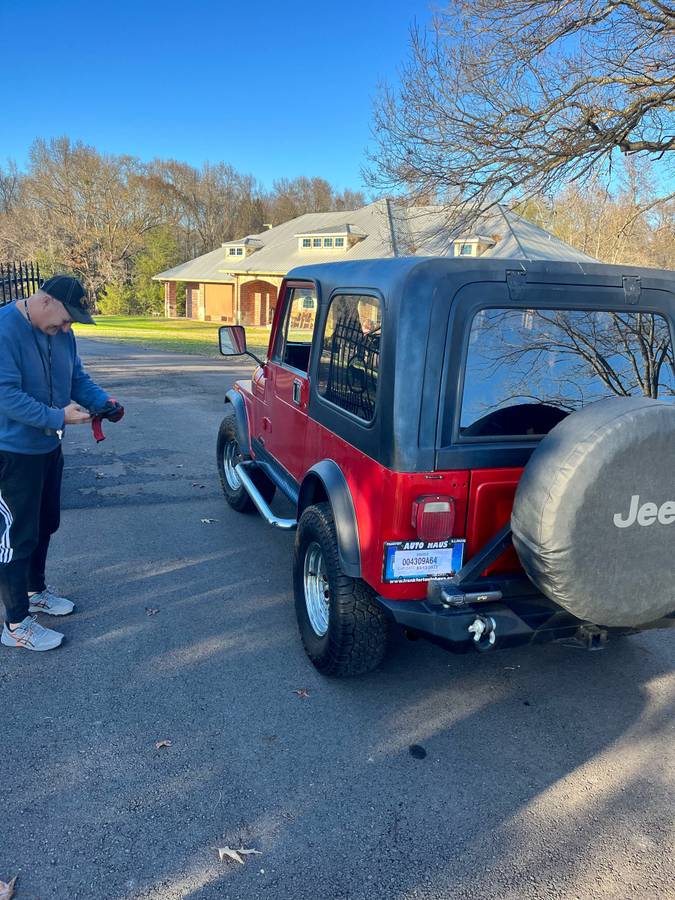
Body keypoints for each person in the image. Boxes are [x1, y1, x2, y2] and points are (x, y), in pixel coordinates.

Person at [0, 275, 123, 651]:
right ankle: (16, 624)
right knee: (15, 537)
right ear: (46, 301)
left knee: (45, 522)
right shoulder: (5, 330)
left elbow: (76, 379)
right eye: (66, 319)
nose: (67, 328)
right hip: (11, 452)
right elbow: (5, 396)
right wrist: (58, 417)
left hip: (47, 448)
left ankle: (35, 590)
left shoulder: (61, 333)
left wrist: (102, 401)